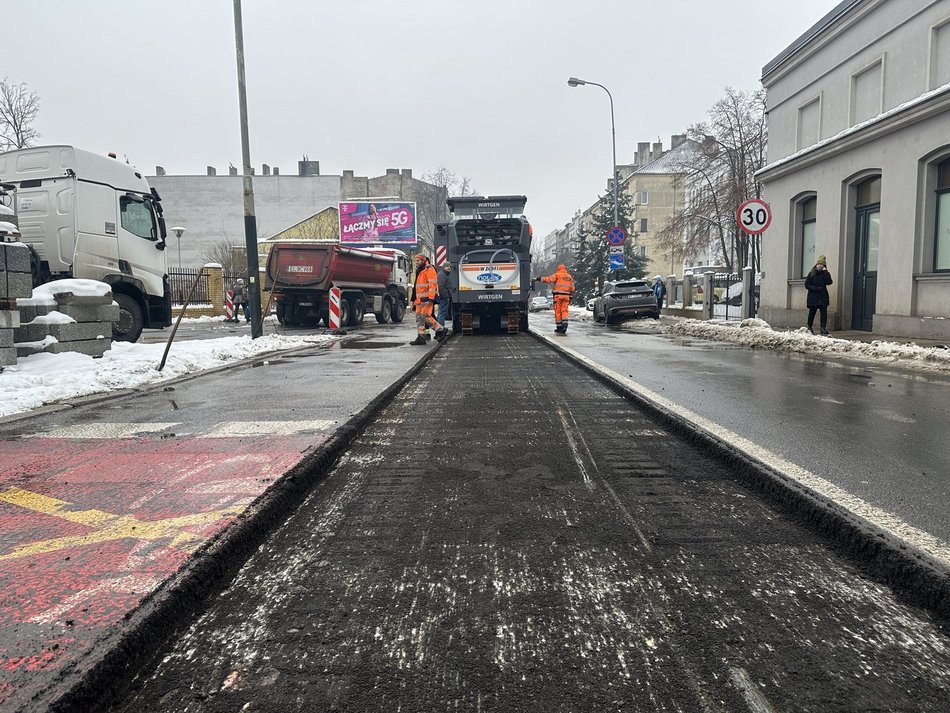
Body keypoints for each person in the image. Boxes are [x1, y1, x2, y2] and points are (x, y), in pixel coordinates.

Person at [409, 254, 446, 345]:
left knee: (425, 316)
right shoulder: (420, 270)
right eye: (415, 261)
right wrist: (414, 299)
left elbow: (432, 285)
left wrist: (431, 298)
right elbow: (417, 287)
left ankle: (441, 329)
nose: (416, 263)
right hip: (419, 300)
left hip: (426, 298)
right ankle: (421, 337)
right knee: (419, 318)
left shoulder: (429, 269)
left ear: (423, 260)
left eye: (418, 260)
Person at [535, 264, 575, 333]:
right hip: (566, 296)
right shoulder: (569, 277)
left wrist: (539, 279)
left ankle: (559, 327)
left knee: (558, 311)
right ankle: (565, 325)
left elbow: (548, 279)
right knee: (564, 311)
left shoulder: (557, 274)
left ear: (558, 269)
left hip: (558, 296)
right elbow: (572, 288)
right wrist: (570, 296)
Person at [805, 254, 833, 335]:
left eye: (821, 264)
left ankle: (823, 328)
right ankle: (809, 326)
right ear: (816, 265)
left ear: (824, 265)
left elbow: (829, 282)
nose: (819, 266)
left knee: (824, 312)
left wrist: (825, 272)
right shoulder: (811, 273)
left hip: (822, 297)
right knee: (812, 312)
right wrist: (815, 288)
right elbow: (807, 285)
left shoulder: (825, 273)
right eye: (818, 264)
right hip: (813, 297)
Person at [436, 261, 453, 327]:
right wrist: (446, 297)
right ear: (444, 267)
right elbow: (441, 287)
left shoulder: (444, 274)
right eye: (447, 266)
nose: (449, 268)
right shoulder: (442, 275)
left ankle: (438, 328)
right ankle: (441, 329)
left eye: (450, 266)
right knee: (442, 313)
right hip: (443, 297)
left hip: (443, 297)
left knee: (441, 313)